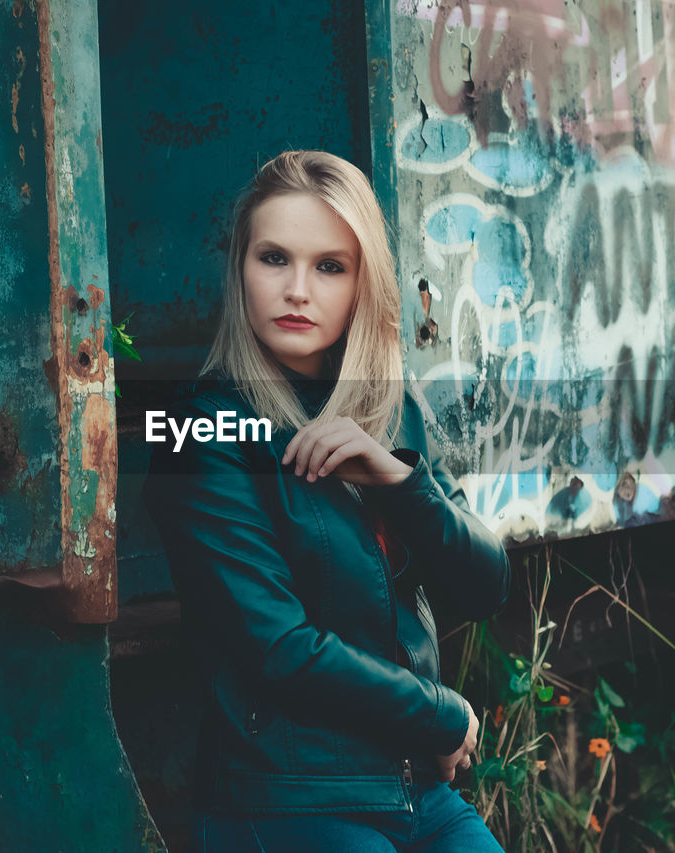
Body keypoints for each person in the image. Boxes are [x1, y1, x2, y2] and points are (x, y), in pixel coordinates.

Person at [142, 150, 511, 852]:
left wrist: (402, 483)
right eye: (274, 258)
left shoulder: (386, 409)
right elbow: (280, 648)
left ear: (362, 283)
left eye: (329, 266)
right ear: (240, 269)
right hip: (286, 796)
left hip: (412, 791)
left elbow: (486, 584)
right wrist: (438, 714)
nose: (297, 290)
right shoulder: (207, 432)